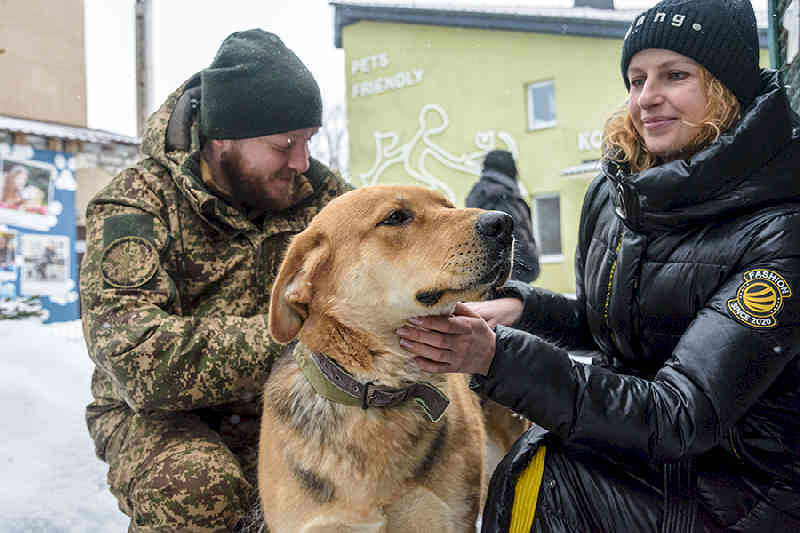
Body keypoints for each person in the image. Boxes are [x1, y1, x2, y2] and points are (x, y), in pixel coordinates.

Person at [396, 0, 800, 531]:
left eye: (675, 75)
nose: (646, 99)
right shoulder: (619, 193)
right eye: (636, 79)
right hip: (644, 460)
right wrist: (521, 308)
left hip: (740, 493)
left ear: (728, 91)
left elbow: (680, 416)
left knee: (543, 481)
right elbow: (612, 326)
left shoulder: (779, 230)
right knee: (535, 477)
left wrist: (499, 359)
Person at [79, 29, 350, 532]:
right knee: (198, 487)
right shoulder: (137, 203)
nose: (300, 161)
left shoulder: (318, 193)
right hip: (156, 416)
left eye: (307, 141)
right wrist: (305, 334)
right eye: (283, 144)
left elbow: (389, 255)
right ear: (223, 138)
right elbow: (137, 362)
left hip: (285, 402)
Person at [466, 150, 540, 283]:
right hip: (509, 281)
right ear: (510, 168)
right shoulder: (503, 197)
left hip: (488, 281)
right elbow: (518, 240)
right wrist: (530, 267)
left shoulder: (480, 194)